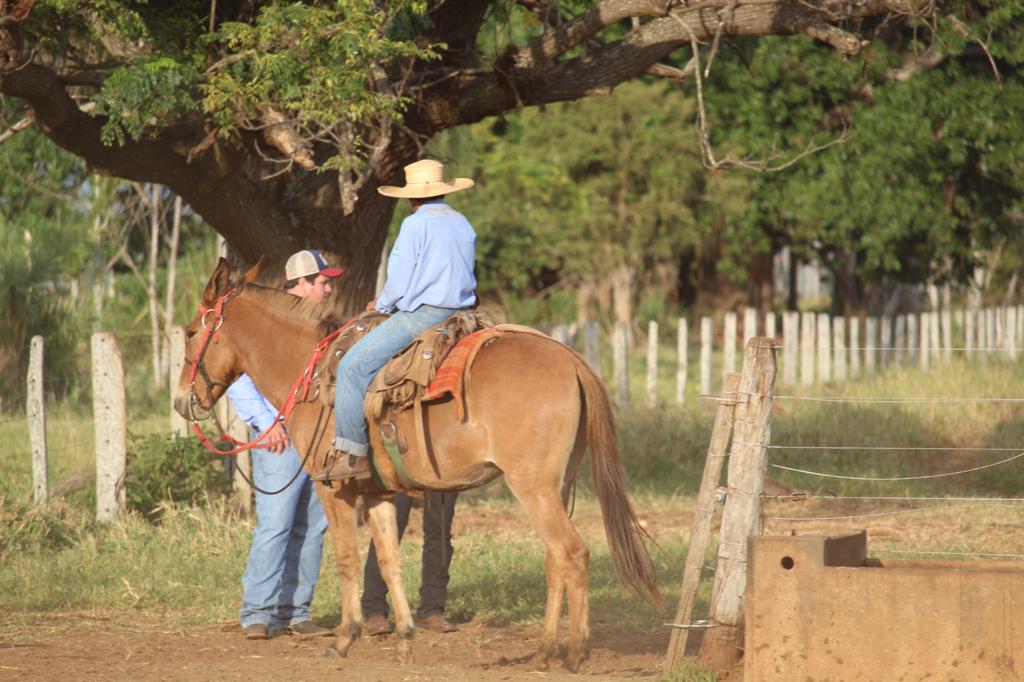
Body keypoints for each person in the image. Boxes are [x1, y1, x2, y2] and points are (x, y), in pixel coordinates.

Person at [314, 159, 477, 481]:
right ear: (442, 191)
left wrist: (384, 303)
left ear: (411, 197)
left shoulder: (415, 225)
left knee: (352, 366)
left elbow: (401, 279)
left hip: (426, 314)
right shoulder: (462, 222)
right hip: (464, 312)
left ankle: (353, 453)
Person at [228, 249, 343, 640]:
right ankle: (257, 612)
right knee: (276, 525)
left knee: (312, 526)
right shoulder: (266, 324)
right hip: (280, 438)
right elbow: (238, 374)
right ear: (300, 285)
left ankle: (295, 612)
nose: (329, 289)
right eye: (323, 282)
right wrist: (265, 422)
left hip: (316, 436)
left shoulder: (322, 328)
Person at [362, 491, 459, 635]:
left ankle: (432, 608)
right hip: (401, 469)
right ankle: (374, 608)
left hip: (442, 471)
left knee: (440, 529)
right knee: (389, 527)